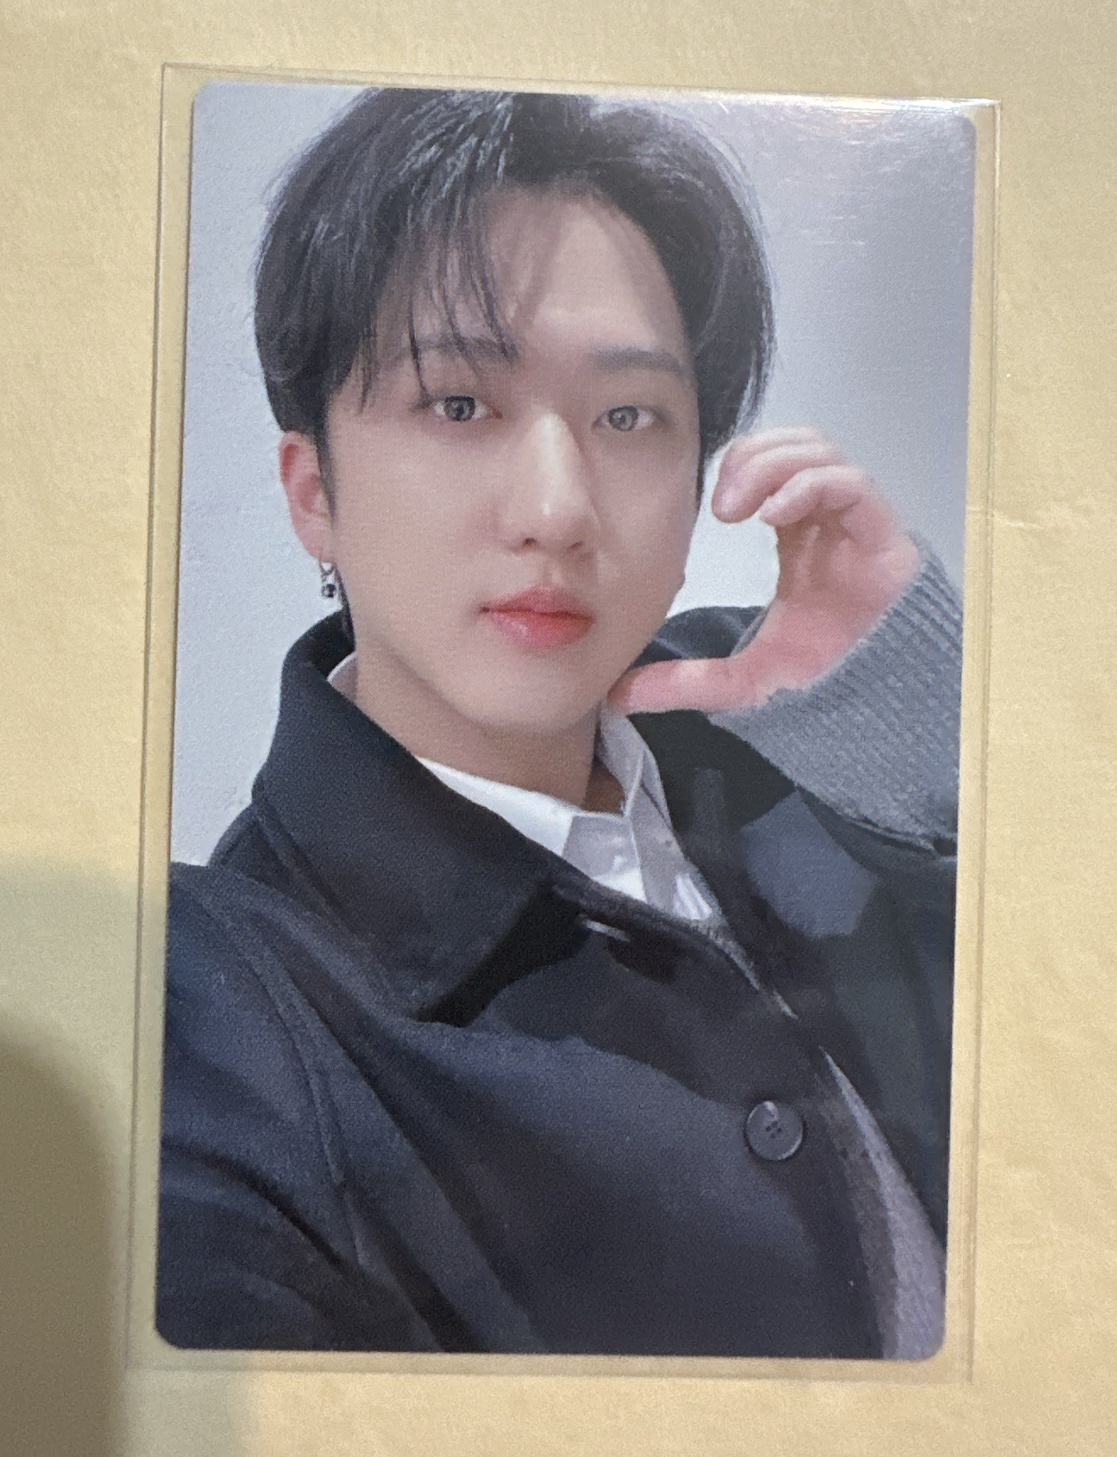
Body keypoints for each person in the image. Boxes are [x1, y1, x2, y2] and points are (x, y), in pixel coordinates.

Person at [157, 86, 962, 1359]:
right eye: (458, 405)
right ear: (315, 492)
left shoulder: (783, 704)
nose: (557, 508)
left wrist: (928, 708)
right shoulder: (216, 1010)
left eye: (626, 416)